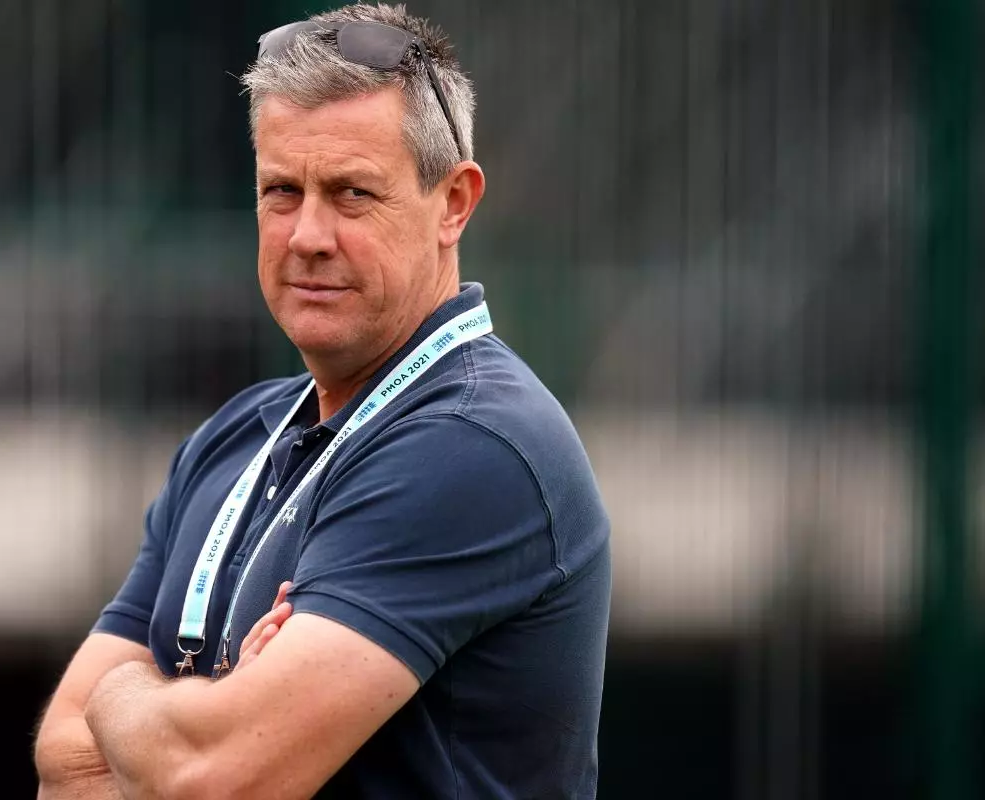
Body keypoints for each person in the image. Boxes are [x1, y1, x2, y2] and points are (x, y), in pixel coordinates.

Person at [33, 3, 610, 798]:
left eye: (351, 194)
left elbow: (213, 779)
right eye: (281, 190)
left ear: (454, 204)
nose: (308, 234)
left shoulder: (472, 444)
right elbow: (65, 766)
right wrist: (204, 717)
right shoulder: (238, 435)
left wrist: (123, 697)